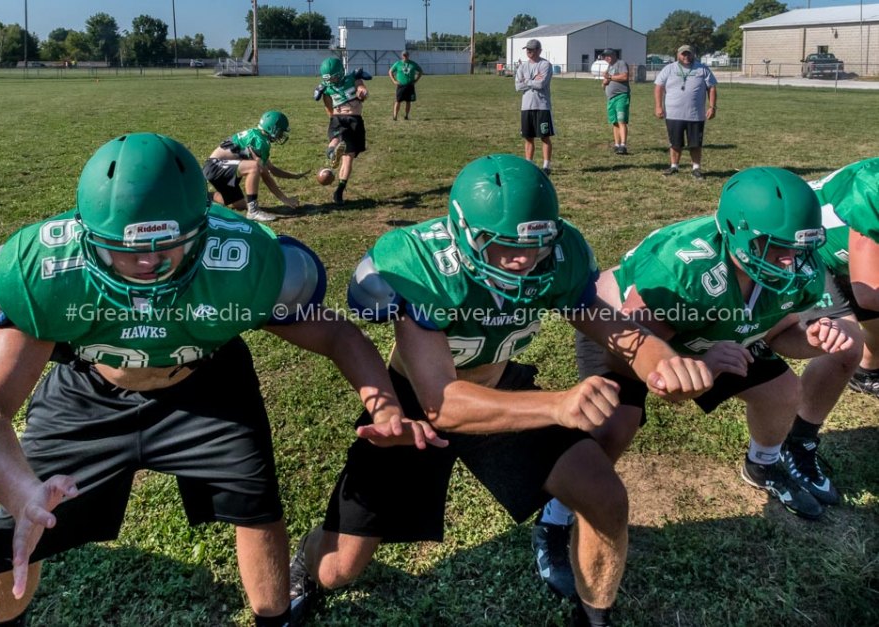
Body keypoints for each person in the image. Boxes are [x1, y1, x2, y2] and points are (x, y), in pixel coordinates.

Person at [0, 133, 441, 627]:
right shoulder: (48, 271)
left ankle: (275, 617)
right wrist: (19, 491)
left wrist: (385, 408)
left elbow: (337, 334)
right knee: (7, 549)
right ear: (85, 235)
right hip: (89, 393)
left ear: (203, 227)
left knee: (256, 507)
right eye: (126, 249)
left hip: (206, 382)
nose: (149, 262)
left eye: (169, 243)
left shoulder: (237, 260)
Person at [287, 155, 713, 626]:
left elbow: (614, 328)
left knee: (604, 496)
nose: (524, 260)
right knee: (339, 568)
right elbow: (442, 404)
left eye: (535, 243)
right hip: (415, 410)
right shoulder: (424, 263)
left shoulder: (556, 256)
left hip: (500, 386)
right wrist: (557, 404)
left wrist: (662, 361)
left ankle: (594, 617)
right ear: (465, 234)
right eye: (505, 245)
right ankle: (307, 561)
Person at [531, 167, 861, 599]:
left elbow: (781, 334)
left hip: (717, 333)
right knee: (613, 427)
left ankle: (762, 463)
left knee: (782, 393)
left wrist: (815, 340)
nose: (789, 260)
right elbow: (628, 352)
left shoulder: (794, 264)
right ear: (735, 232)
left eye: (797, 247)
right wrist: (694, 363)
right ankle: (555, 517)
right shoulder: (683, 267)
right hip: (632, 333)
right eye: (775, 246)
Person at [807, 157, 879, 398]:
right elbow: (870, 293)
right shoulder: (874, 186)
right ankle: (799, 432)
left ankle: (866, 373)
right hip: (805, 250)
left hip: (844, 251)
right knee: (843, 342)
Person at [203, 110, 306, 222]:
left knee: (239, 204)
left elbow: (271, 169)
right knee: (254, 167)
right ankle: (253, 211)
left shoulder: (259, 136)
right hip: (215, 167)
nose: (281, 135)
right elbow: (265, 174)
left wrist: (295, 176)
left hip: (219, 168)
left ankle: (206, 197)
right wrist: (285, 199)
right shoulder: (259, 141)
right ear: (272, 128)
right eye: (280, 131)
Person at [654, 45, 718, 178]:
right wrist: (658, 106)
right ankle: (674, 167)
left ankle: (696, 168)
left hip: (695, 114)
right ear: (678, 55)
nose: (686, 57)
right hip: (673, 113)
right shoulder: (669, 69)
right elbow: (659, 87)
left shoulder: (702, 69)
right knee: (675, 142)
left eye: (689, 54)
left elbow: (711, 87)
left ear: (693, 54)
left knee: (695, 143)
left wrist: (712, 107)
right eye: (683, 54)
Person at [314, 56, 370, 206]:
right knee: (345, 153)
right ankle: (338, 187)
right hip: (347, 118)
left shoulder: (354, 78)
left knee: (345, 152)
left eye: (333, 78)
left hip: (348, 120)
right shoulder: (326, 88)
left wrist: (362, 92)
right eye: (328, 79)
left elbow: (362, 88)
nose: (331, 82)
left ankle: (332, 154)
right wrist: (333, 119)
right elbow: (328, 107)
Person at [515, 39, 555, 176]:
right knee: (528, 137)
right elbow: (517, 86)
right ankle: (529, 164)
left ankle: (546, 165)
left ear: (539, 50)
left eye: (532, 50)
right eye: (527, 50)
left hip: (542, 106)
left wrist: (526, 81)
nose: (529, 52)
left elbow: (541, 84)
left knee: (544, 136)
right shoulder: (522, 67)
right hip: (526, 106)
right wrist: (531, 81)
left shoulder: (545, 65)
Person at [600, 49, 630, 155]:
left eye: (608, 56)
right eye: (604, 56)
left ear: (614, 55)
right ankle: (616, 144)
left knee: (621, 120)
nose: (606, 58)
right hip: (611, 98)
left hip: (621, 96)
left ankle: (623, 145)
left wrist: (610, 77)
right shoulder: (609, 67)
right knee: (615, 122)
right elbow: (605, 83)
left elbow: (625, 76)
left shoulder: (620, 63)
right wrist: (604, 82)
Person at [388, 50, 423, 121]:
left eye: (406, 55)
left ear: (408, 55)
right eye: (404, 55)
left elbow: (420, 71)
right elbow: (390, 71)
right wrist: (394, 81)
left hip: (410, 85)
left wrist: (416, 80)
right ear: (402, 56)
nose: (405, 56)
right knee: (398, 101)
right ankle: (395, 116)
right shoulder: (398, 64)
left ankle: (406, 116)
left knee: (408, 101)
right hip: (401, 86)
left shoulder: (413, 64)